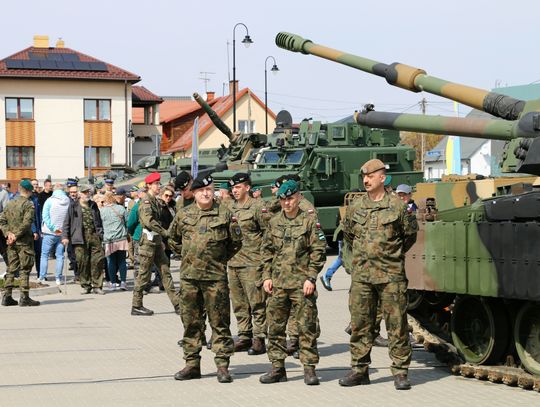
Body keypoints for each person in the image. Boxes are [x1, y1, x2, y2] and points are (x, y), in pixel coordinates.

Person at [339, 159, 418, 390]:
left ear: (382, 178)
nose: (366, 180)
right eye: (364, 176)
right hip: (362, 276)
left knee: (397, 325)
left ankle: (401, 372)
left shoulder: (398, 206)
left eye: (370, 176)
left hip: (390, 276)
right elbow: (349, 236)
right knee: (360, 325)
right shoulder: (355, 206)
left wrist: (390, 255)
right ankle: (359, 370)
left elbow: (409, 235)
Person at [168, 174, 242, 383]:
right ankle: (192, 364)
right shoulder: (184, 215)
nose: (206, 193)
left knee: (220, 322)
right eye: (201, 190)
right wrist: (189, 256)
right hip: (190, 278)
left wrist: (218, 259)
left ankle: (222, 366)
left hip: (215, 278)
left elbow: (235, 242)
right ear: (194, 193)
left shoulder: (225, 214)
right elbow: (172, 239)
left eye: (209, 189)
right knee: (191, 322)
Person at [259, 180, 326, 386]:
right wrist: (266, 277)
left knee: (306, 327)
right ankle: (278, 368)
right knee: (276, 328)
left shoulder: (308, 222)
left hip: (301, 284)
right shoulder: (274, 222)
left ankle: (309, 368)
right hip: (278, 284)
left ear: (298, 197)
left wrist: (311, 277)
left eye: (290, 198)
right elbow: (266, 252)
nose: (287, 203)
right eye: (283, 199)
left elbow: (318, 251)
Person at [227, 172, 268, 355]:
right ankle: (244, 336)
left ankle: (259, 338)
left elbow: (268, 234)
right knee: (239, 303)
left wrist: (266, 260)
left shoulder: (258, 206)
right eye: (233, 188)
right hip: (233, 262)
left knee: (257, 302)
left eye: (238, 187)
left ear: (247, 188)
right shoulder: (229, 208)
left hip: (253, 263)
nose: (234, 191)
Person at [131, 172, 179, 316]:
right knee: (144, 276)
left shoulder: (156, 201)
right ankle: (136, 305)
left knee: (166, 273)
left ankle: (177, 304)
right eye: (156, 184)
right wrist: (165, 233)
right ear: (149, 186)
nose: (159, 186)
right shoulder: (146, 202)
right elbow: (149, 222)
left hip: (156, 243)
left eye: (159, 183)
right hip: (147, 244)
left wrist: (161, 239)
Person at [0, 180, 40, 307]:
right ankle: (24, 297)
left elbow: (2, 221)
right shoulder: (29, 204)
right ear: (28, 191)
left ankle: (7, 297)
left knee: (11, 269)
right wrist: (15, 235)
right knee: (25, 269)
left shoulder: (10, 203)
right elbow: (27, 223)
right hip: (24, 242)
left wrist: (8, 234)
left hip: (11, 242)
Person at [62, 184, 106, 295]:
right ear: (80, 194)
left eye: (89, 192)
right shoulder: (73, 206)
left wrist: (100, 234)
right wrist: (65, 237)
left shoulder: (93, 205)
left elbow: (98, 220)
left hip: (94, 236)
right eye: (85, 192)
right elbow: (67, 222)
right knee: (82, 261)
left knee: (97, 261)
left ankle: (97, 285)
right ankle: (86, 285)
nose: (87, 194)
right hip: (79, 237)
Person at [39, 183, 70, 285]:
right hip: (62, 233)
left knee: (44, 255)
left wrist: (53, 228)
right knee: (60, 256)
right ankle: (58, 278)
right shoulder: (68, 200)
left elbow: (45, 216)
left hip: (49, 232)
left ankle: (42, 276)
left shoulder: (50, 201)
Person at [100, 191, 129, 291]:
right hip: (121, 238)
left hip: (109, 239)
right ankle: (123, 282)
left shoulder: (102, 211)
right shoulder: (121, 209)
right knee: (122, 261)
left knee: (111, 262)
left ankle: (112, 283)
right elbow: (127, 222)